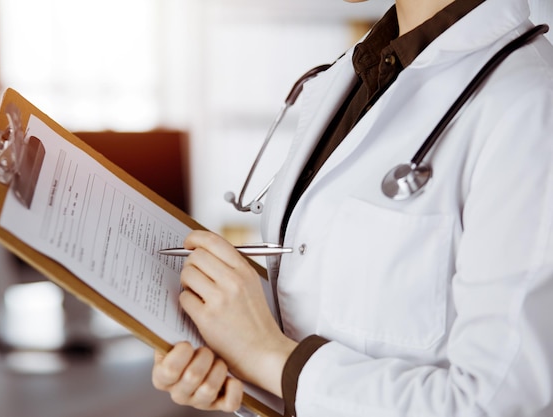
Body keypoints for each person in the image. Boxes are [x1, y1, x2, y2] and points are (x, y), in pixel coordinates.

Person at [152, 0, 553, 415]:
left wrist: (267, 358)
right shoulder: (359, 74)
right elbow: (321, 313)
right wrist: (230, 351)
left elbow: (498, 403)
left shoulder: (530, 108)